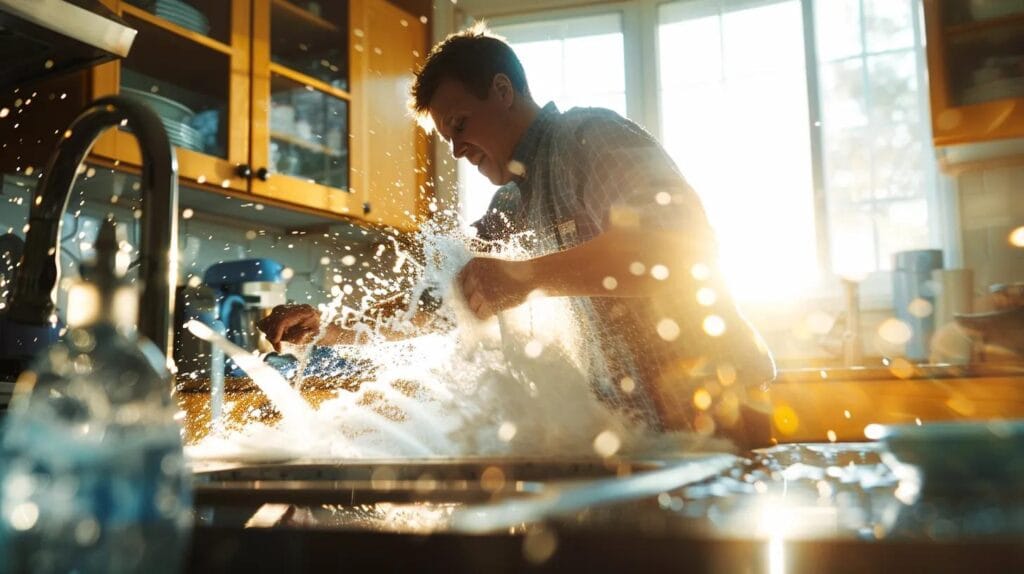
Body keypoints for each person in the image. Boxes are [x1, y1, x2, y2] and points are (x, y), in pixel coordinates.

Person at [258, 25, 776, 447]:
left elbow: (675, 248)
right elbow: (451, 300)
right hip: (640, 431)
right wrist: (329, 327)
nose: (458, 149)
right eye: (448, 137)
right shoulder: (511, 202)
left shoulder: (589, 135)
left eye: (460, 124)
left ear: (503, 91)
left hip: (718, 405)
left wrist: (527, 277)